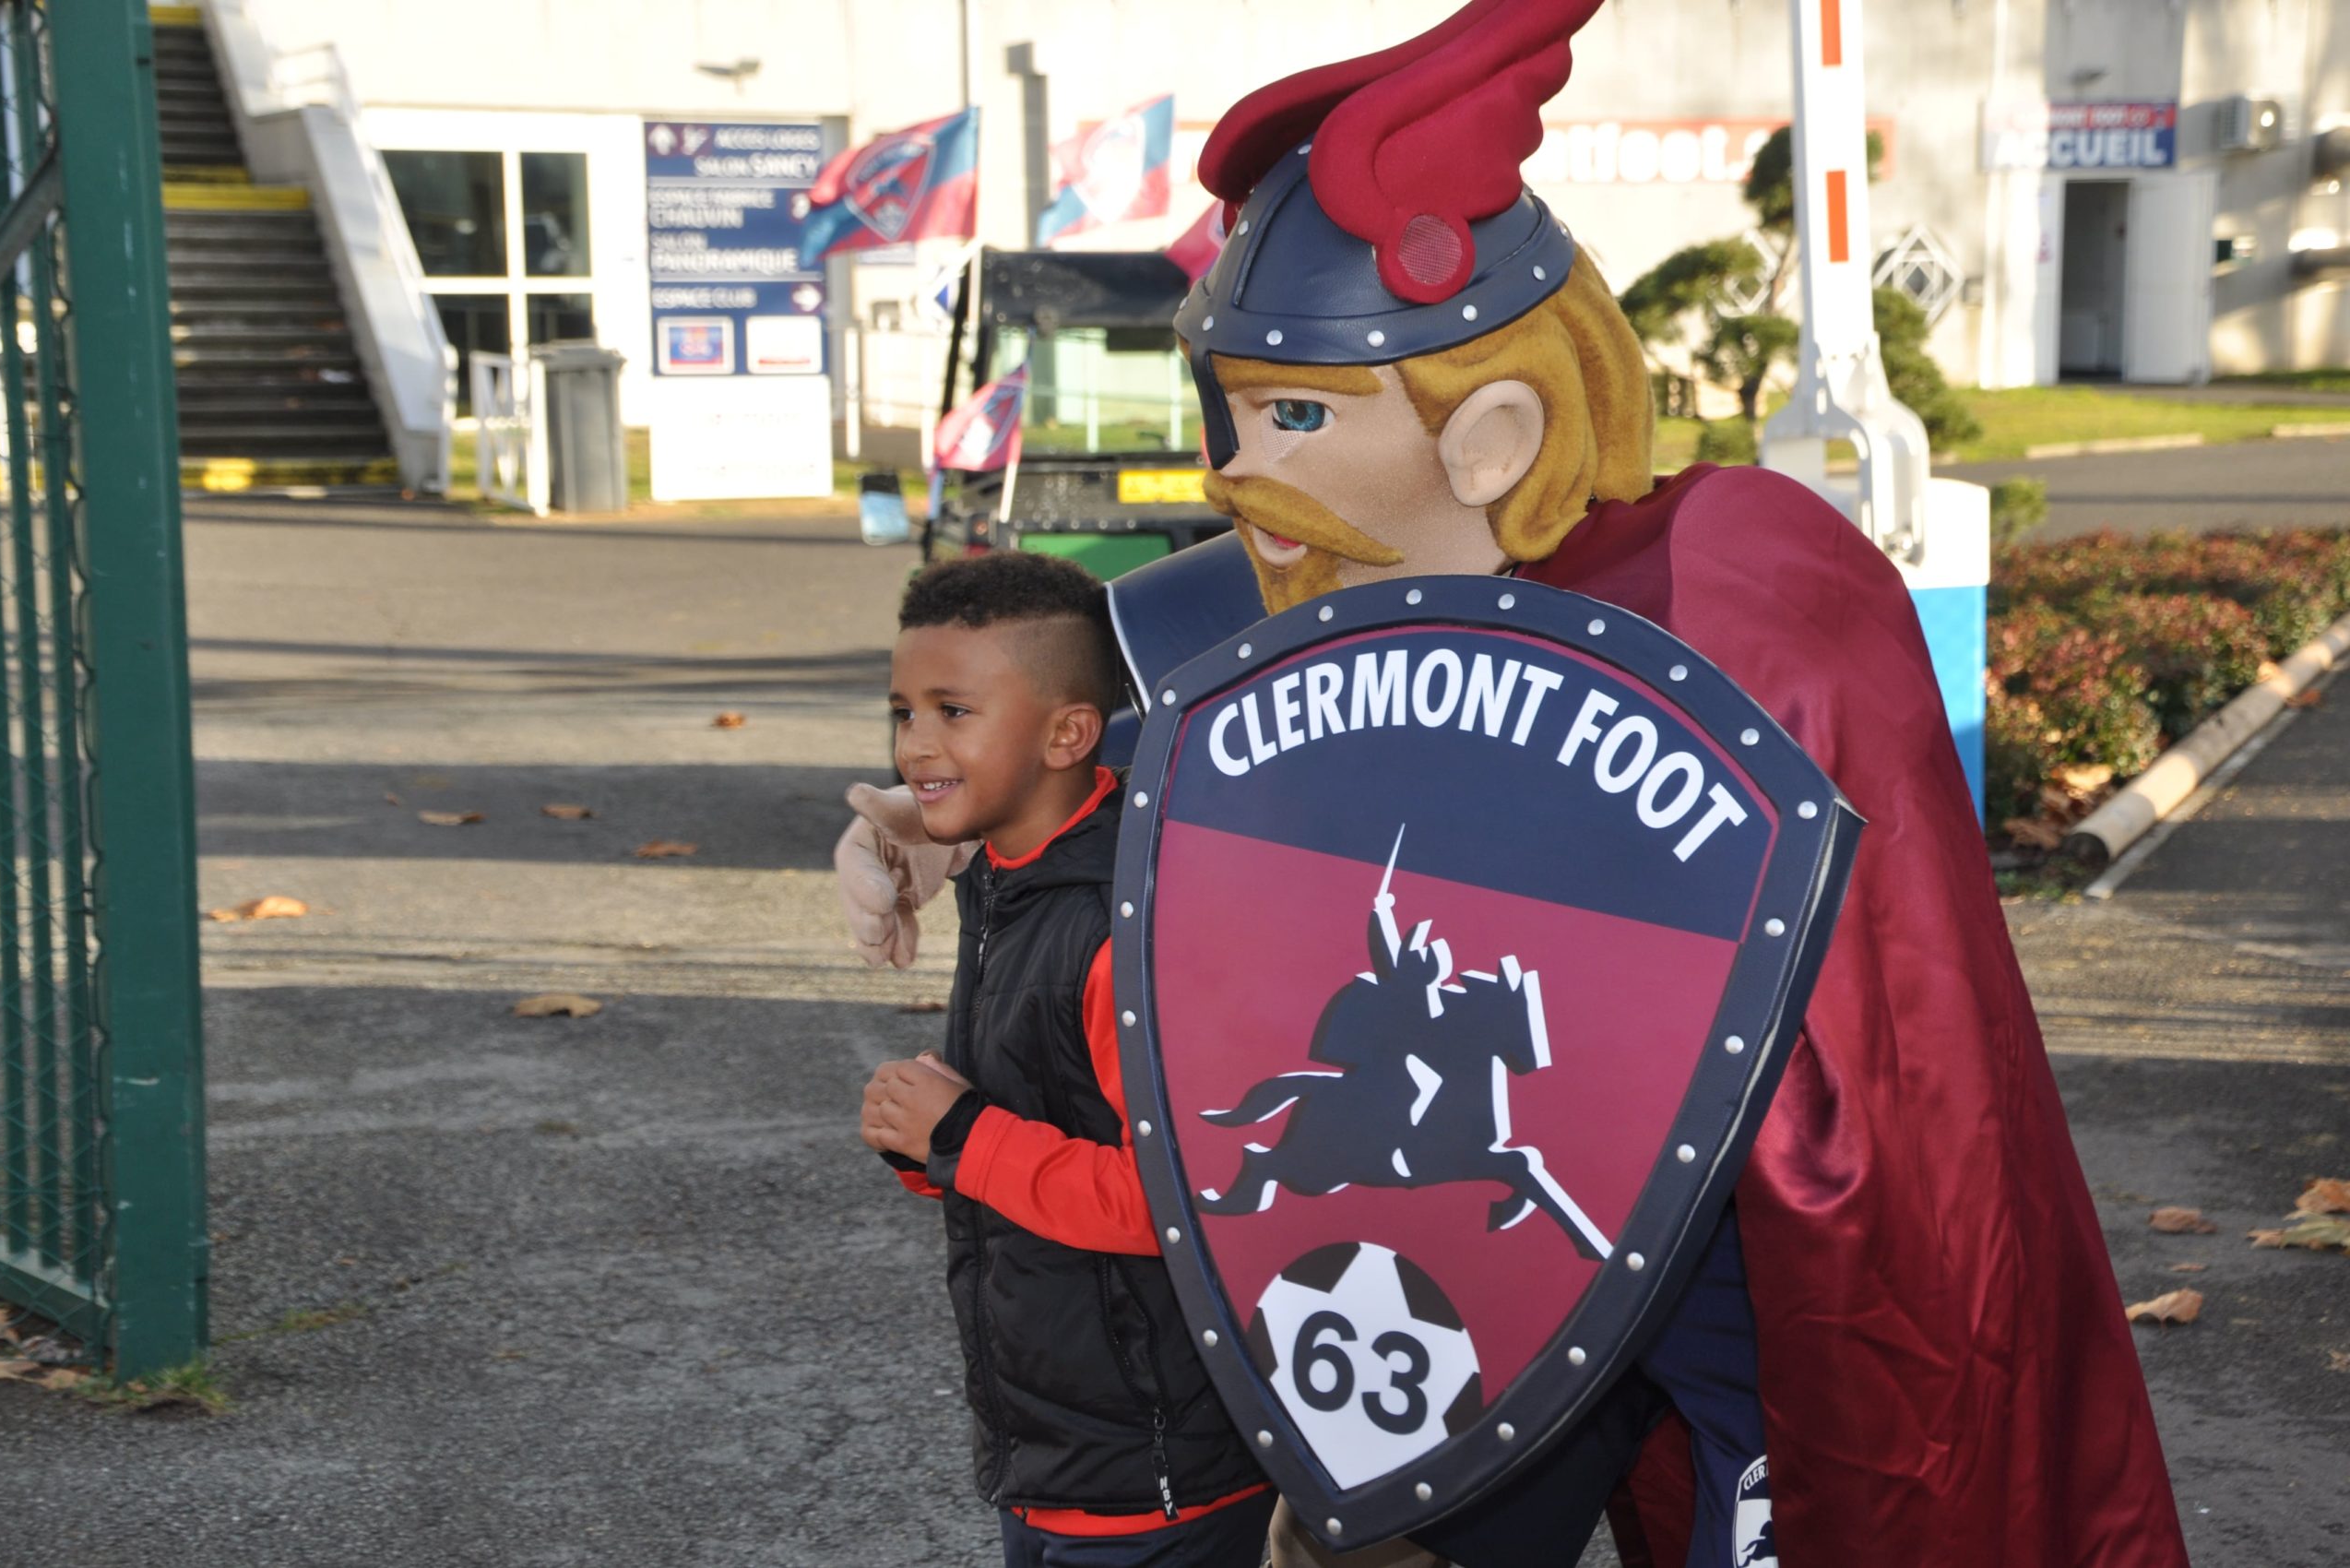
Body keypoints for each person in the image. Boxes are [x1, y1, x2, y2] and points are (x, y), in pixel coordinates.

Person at [844, 4, 2192, 1564]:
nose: (1235, 466)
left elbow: (1879, 1009)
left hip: (1729, 1257)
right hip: (1450, 1260)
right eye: (1231, 411)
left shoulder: (1731, 585)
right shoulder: (1240, 622)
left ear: (1490, 434)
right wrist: (927, 824)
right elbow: (1167, 802)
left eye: (1295, 413)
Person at [857, 552, 1274, 1568]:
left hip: (1159, 1472)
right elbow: (1049, 1120)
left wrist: (962, 1133)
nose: (916, 746)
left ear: (1068, 732)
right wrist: (929, 1147)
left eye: (954, 710)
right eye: (903, 711)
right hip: (1053, 1457)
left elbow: (1176, 1201)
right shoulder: (1004, 881)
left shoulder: (1112, 922)